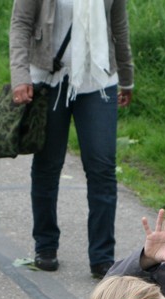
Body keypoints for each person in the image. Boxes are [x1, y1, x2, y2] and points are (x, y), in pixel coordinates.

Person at [9, 0, 134, 279]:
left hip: (99, 80)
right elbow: (20, 24)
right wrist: (20, 75)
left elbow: (119, 26)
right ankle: (45, 246)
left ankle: (102, 257)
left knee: (102, 168)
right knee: (47, 165)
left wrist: (127, 77)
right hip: (49, 79)